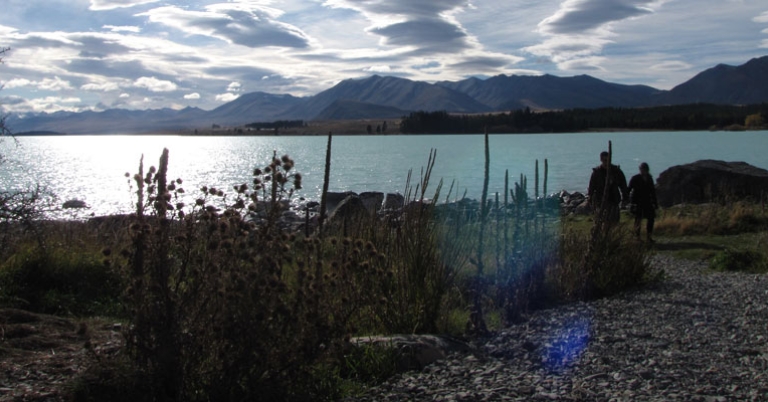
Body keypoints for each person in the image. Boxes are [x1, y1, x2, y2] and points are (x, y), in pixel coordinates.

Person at [587, 151, 628, 223]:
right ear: (601, 160)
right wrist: (590, 197)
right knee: (602, 221)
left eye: (608, 160)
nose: (606, 162)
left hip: (614, 199)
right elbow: (591, 186)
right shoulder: (597, 172)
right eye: (605, 160)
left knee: (614, 221)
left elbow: (623, 185)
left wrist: (625, 197)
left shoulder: (616, 171)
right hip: (601, 200)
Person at [627, 162, 658, 242]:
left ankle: (649, 237)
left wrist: (655, 203)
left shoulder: (649, 178)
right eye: (642, 169)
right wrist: (628, 201)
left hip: (647, 201)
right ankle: (637, 237)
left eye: (645, 169)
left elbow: (652, 191)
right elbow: (629, 189)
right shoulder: (635, 178)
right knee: (638, 220)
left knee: (651, 219)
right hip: (637, 202)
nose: (643, 171)